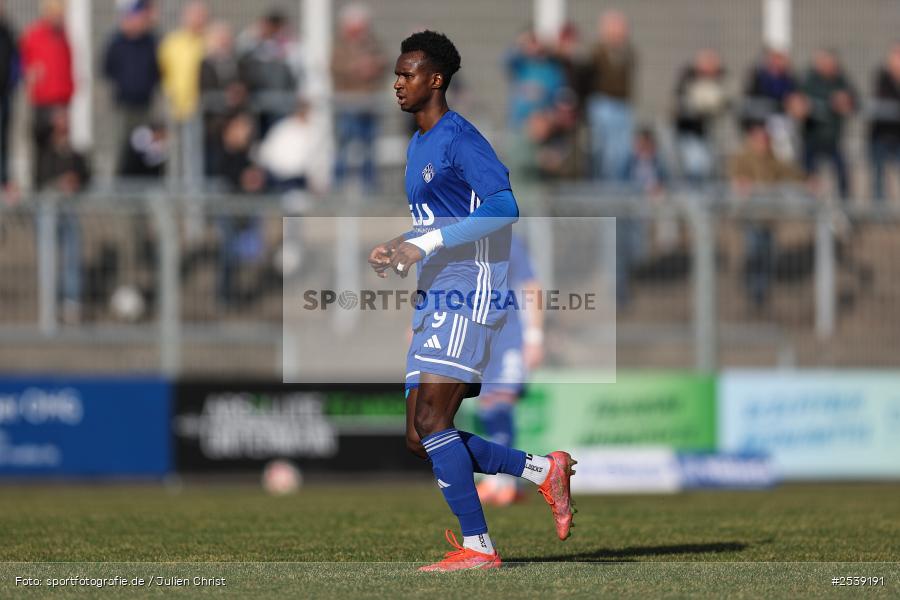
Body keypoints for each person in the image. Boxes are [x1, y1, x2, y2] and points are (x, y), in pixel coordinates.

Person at [368, 30, 575, 572]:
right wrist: (401, 246)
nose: (398, 83)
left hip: (470, 287)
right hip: (434, 292)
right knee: (419, 435)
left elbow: (505, 207)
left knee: (435, 423)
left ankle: (480, 548)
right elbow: (438, 222)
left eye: (407, 74)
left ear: (435, 80)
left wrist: (427, 243)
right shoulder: (418, 144)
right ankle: (541, 471)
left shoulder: (460, 137)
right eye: (396, 73)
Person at [474, 234, 544, 507]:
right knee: (488, 407)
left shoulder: (510, 243)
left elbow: (531, 285)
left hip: (510, 339)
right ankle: (504, 479)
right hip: (478, 339)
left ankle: (502, 479)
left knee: (502, 403)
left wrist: (535, 337)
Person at [729, 123, 805, 310]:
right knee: (754, 252)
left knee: (767, 255)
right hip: (752, 216)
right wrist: (741, 184)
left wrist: (808, 179)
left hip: (770, 217)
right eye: (759, 139)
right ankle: (754, 291)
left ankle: (762, 291)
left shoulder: (773, 158)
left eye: (765, 139)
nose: (763, 142)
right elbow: (735, 176)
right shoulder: (742, 157)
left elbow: (791, 172)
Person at [36, 107, 89, 325]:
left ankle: (71, 304)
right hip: (47, 210)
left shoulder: (75, 153)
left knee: (72, 255)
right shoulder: (43, 150)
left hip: (68, 209)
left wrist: (75, 181)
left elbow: (86, 176)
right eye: (58, 121)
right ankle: (49, 306)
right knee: (49, 257)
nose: (63, 125)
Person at [331, 4, 387, 189]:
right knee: (344, 146)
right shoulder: (340, 45)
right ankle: (338, 185)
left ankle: (369, 185)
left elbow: (384, 63)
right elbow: (335, 67)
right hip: (347, 103)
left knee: (369, 147)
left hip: (368, 103)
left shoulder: (372, 43)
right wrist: (357, 67)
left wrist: (374, 66)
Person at [20, 0, 74, 188]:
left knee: (60, 154)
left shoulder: (63, 37)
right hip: (43, 103)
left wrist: (65, 103)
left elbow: (66, 70)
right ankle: (40, 191)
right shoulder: (34, 36)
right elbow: (25, 67)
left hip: (61, 103)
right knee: (42, 153)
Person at [103, 0, 159, 173]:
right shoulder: (117, 43)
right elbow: (107, 69)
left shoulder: (151, 42)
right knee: (122, 144)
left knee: (145, 146)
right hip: (124, 104)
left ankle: (142, 180)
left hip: (145, 103)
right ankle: (119, 181)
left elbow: (158, 71)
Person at [158, 0, 208, 190]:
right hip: (177, 109)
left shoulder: (208, 41)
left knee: (197, 158)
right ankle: (176, 197)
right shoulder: (172, 42)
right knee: (174, 157)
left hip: (201, 111)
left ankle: (195, 202)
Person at [583, 10, 637, 180]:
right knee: (604, 150)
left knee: (622, 150)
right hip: (602, 104)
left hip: (623, 104)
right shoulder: (596, 52)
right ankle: (602, 185)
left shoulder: (628, 52)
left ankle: (617, 186)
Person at [798, 49, 856, 200]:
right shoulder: (809, 81)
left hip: (833, 139)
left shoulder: (841, 80)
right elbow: (797, 101)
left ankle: (844, 206)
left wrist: (847, 102)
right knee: (808, 173)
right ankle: (810, 207)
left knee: (842, 173)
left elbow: (855, 102)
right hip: (812, 138)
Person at [238, 9, 299, 137]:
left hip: (281, 105)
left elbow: (295, 72)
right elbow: (241, 55)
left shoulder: (287, 47)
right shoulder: (253, 46)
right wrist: (252, 34)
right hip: (259, 105)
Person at [673, 49, 730, 183]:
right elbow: (683, 104)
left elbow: (724, 102)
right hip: (689, 132)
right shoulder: (688, 79)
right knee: (696, 167)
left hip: (707, 133)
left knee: (707, 167)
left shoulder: (718, 80)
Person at [200, 21, 247, 176]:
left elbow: (247, 82)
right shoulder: (205, 64)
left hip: (235, 119)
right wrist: (224, 98)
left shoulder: (238, 63)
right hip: (215, 121)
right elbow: (205, 89)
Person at [257, 100, 332, 193]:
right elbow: (266, 153)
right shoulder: (282, 128)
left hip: (302, 181)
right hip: (276, 179)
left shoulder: (316, 132)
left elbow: (319, 160)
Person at [869, 44, 900, 204]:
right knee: (878, 176)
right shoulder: (882, 77)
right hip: (881, 136)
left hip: (897, 136)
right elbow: (885, 99)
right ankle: (878, 212)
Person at [0, 0, 18, 197]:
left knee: (4, 141)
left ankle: (4, 179)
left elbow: (16, 62)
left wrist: (11, 84)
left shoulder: (7, 32)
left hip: (3, 95)